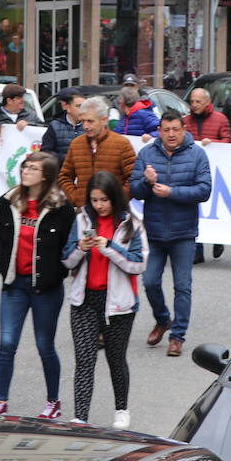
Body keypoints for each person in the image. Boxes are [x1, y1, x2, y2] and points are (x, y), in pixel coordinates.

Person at [0, 151, 76, 419]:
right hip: (14, 284)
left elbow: (69, 248)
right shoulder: (8, 202)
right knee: (6, 343)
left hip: (46, 289)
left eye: (32, 168)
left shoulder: (61, 208)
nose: (25, 171)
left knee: (44, 345)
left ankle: (53, 401)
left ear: (46, 175)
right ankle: (1, 400)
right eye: (24, 166)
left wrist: (58, 272)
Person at [64, 171, 146, 429]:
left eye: (104, 200)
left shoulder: (132, 222)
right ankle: (80, 416)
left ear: (115, 198)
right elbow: (66, 260)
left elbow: (138, 264)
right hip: (84, 300)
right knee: (85, 359)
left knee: (115, 357)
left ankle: (121, 408)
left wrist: (109, 246)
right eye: (94, 200)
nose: (99, 205)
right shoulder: (81, 219)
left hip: (119, 304)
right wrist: (80, 248)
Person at [131, 113, 212, 357]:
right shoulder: (147, 153)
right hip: (154, 232)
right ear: (159, 130)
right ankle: (163, 319)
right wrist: (146, 182)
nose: (171, 134)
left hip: (183, 231)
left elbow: (204, 190)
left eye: (175, 129)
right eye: (166, 130)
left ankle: (177, 336)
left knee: (182, 286)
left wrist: (172, 192)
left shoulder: (197, 153)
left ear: (183, 129)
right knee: (150, 282)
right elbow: (134, 190)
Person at [60, 97, 137, 204]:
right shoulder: (76, 144)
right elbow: (65, 177)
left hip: (114, 215)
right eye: (83, 121)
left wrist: (117, 201)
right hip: (84, 212)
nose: (85, 126)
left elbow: (133, 178)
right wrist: (76, 198)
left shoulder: (122, 144)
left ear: (104, 120)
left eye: (90, 121)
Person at [0, 83, 39, 155]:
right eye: (19, 98)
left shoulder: (31, 115)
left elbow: (42, 129)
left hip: (28, 160)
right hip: (2, 161)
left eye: (23, 97)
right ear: (9, 101)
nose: (23, 100)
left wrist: (29, 124)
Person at [40, 88, 87, 159]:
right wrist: (66, 158)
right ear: (67, 107)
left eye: (85, 106)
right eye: (78, 106)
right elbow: (46, 152)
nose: (83, 110)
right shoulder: (55, 126)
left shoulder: (91, 126)